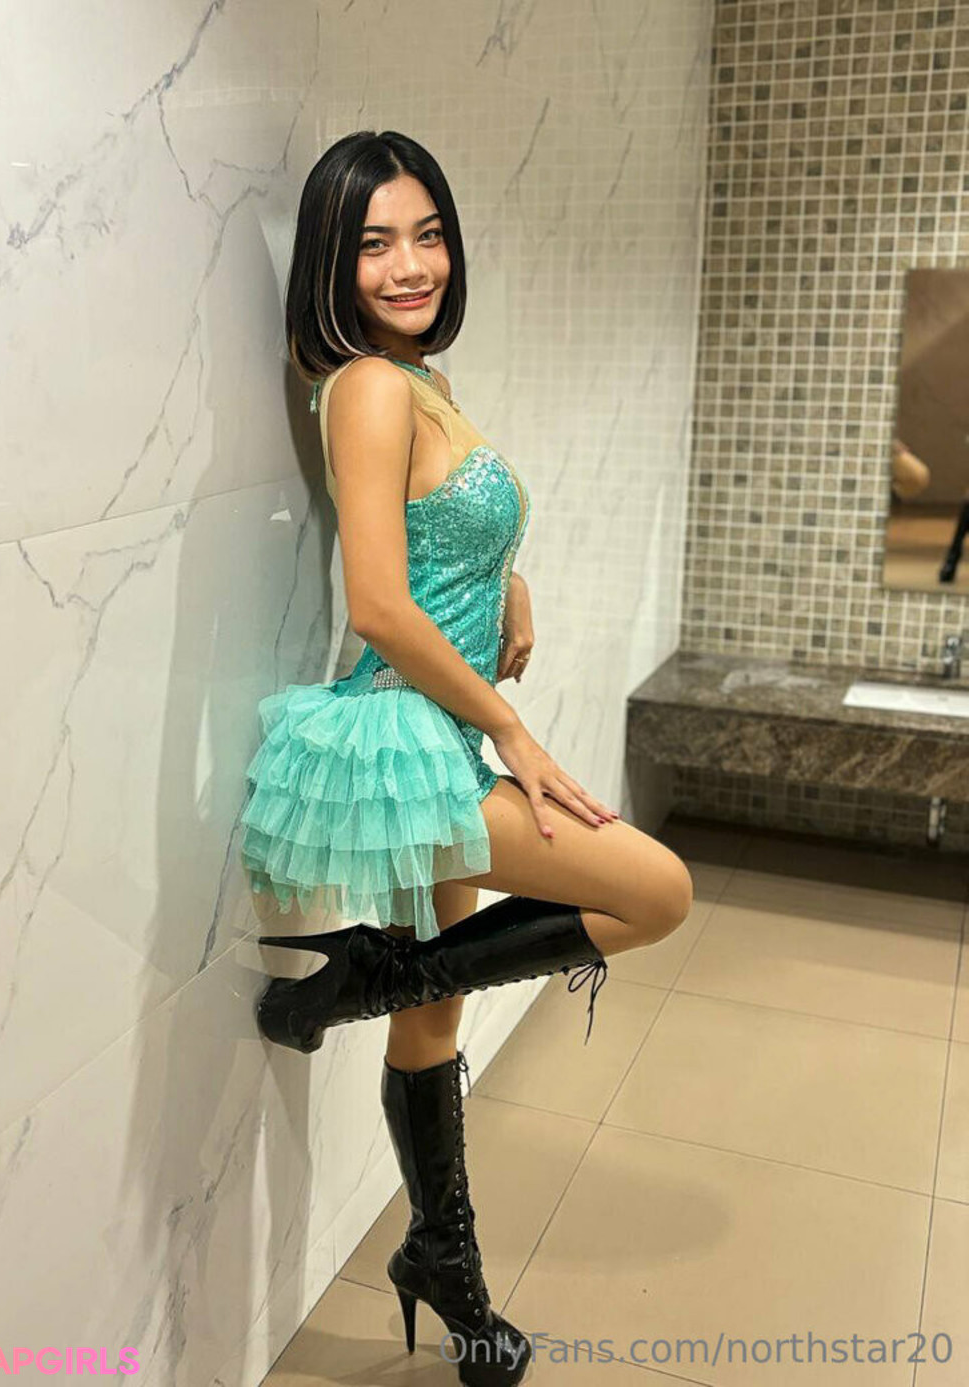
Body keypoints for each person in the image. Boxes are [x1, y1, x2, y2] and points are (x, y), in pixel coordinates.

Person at [239, 130, 694, 1386]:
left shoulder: (414, 376)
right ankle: (353, 982)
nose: (410, 264)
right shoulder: (370, 385)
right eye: (374, 242)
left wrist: (512, 584)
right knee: (655, 891)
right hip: (411, 730)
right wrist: (512, 728)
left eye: (428, 234)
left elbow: (430, 536)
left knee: (432, 1017)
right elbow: (379, 604)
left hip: (433, 725)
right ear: (330, 261)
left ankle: (444, 1258)